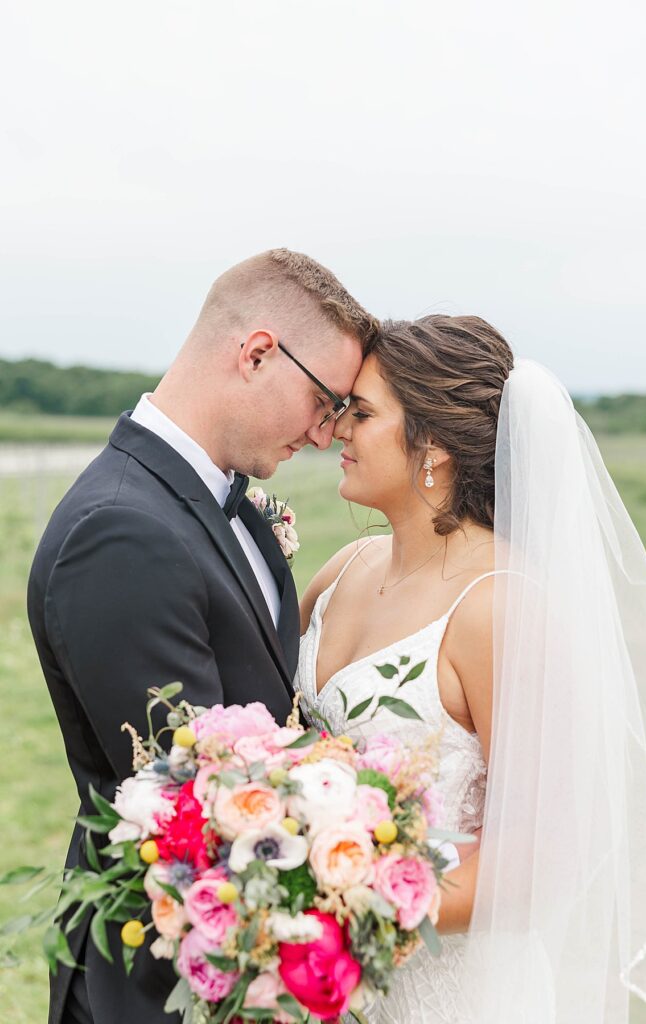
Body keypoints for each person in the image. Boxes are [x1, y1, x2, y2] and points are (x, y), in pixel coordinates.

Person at [297, 315, 646, 1023]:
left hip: (446, 990)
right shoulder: (340, 571)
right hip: (320, 987)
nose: (336, 431)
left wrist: (334, 924)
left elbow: (540, 863)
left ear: (433, 446)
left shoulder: (499, 606)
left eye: (362, 412)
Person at [27, 248, 377, 1024]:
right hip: (158, 989)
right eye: (324, 402)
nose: (325, 435)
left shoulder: (224, 503)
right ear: (255, 353)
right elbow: (197, 799)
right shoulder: (120, 531)